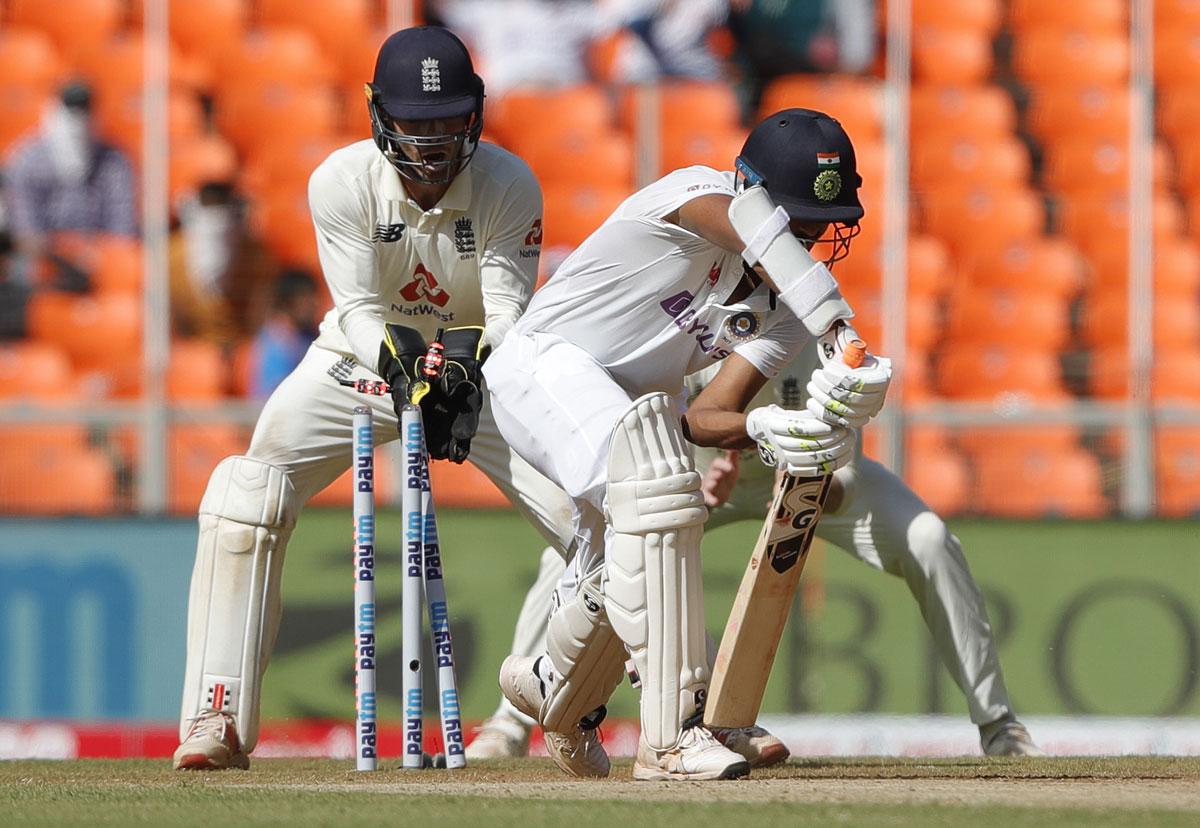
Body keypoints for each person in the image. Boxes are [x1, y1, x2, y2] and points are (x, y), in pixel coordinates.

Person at [171, 26, 582, 771]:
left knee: (593, 515)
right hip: (357, 365)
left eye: (446, 121)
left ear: (476, 114)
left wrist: (460, 371)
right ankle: (216, 717)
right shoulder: (340, 178)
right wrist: (403, 370)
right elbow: (359, 310)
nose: (429, 143)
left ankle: (627, 711)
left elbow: (507, 314)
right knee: (247, 492)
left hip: (474, 371)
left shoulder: (508, 182)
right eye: (414, 122)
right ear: (376, 111)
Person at [482, 108, 892, 780]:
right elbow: (752, 224)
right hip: (542, 366)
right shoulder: (693, 196)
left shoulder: (783, 314)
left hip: (630, 411)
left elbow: (708, 415)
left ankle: (553, 688)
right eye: (795, 219)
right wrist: (840, 330)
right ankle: (675, 736)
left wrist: (773, 429)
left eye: (821, 224)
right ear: (752, 193)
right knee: (660, 494)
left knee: (620, 558)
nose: (810, 235)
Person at [468, 356, 1044, 762]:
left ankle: (999, 726)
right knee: (573, 555)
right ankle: (509, 724)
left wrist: (814, 491)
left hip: (808, 481)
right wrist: (688, 478)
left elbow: (844, 457)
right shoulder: (688, 317)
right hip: (689, 478)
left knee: (930, 541)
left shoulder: (815, 325)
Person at [4, 81, 137, 278]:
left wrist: (89, 254)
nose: (77, 122)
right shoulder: (26, 161)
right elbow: (27, 233)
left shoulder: (115, 162)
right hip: (45, 264)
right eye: (71, 110)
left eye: (83, 110)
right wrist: (63, 252)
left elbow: (122, 233)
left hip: (99, 263)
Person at [169, 179, 279, 351]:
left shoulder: (258, 257)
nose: (215, 223)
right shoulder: (172, 256)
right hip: (193, 354)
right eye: (209, 211)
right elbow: (173, 319)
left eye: (221, 213)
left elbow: (260, 318)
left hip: (242, 351)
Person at [249, 269, 321, 401]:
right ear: (288, 302)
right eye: (306, 297)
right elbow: (275, 392)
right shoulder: (275, 341)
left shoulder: (308, 335)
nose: (314, 303)